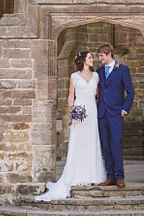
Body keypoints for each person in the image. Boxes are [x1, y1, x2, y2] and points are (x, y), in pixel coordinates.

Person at [34, 50, 106, 201]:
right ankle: (77, 175)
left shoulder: (96, 76)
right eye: (90, 58)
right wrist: (73, 114)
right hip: (80, 110)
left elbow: (99, 96)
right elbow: (71, 96)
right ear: (83, 61)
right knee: (78, 143)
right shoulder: (74, 76)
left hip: (92, 111)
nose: (92, 60)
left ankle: (92, 174)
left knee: (91, 142)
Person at [96, 43, 135, 187]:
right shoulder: (99, 71)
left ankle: (120, 176)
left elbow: (130, 92)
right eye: (99, 56)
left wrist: (124, 109)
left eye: (101, 56)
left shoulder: (123, 70)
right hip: (102, 113)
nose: (99, 59)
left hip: (116, 113)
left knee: (116, 143)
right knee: (105, 145)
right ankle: (110, 175)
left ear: (109, 54)